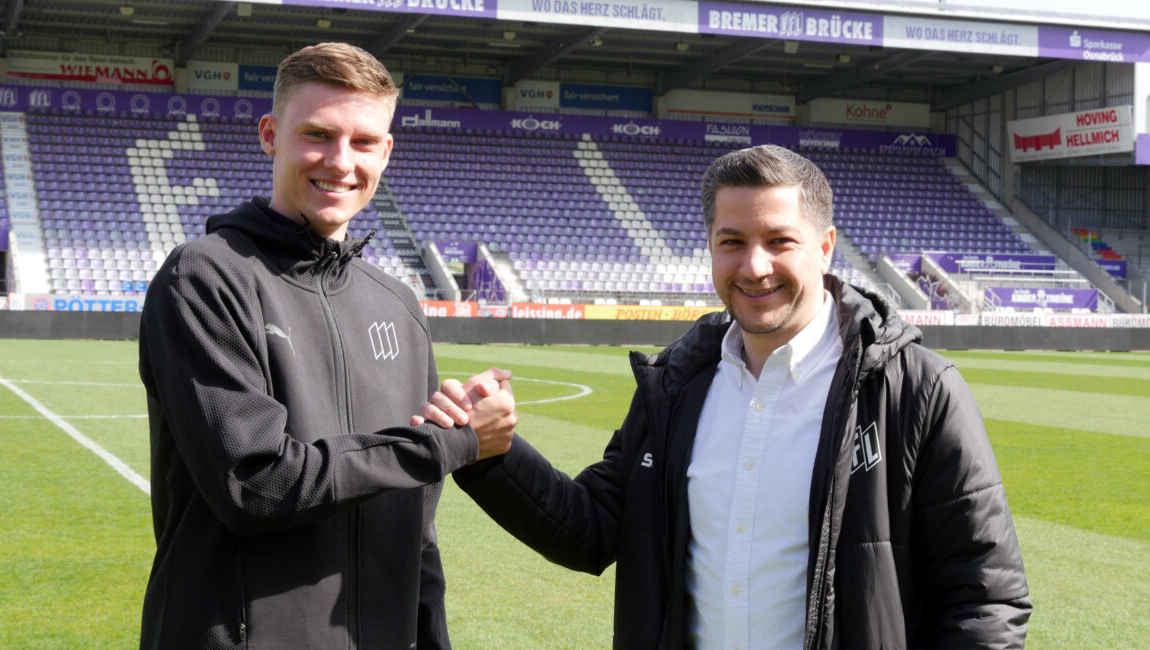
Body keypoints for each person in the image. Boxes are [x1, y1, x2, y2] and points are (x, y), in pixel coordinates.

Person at [424, 145, 1031, 648]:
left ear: (824, 248)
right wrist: (490, 452)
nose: (754, 265)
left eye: (779, 240)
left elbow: (985, 599)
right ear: (711, 246)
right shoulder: (676, 386)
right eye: (732, 240)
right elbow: (590, 530)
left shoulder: (915, 389)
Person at [137, 42, 515, 649]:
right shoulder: (205, 277)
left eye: (364, 142)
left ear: (386, 152)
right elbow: (254, 484)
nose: (341, 162)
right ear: (270, 134)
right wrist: (450, 443)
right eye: (318, 134)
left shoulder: (396, 302)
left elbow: (415, 523)